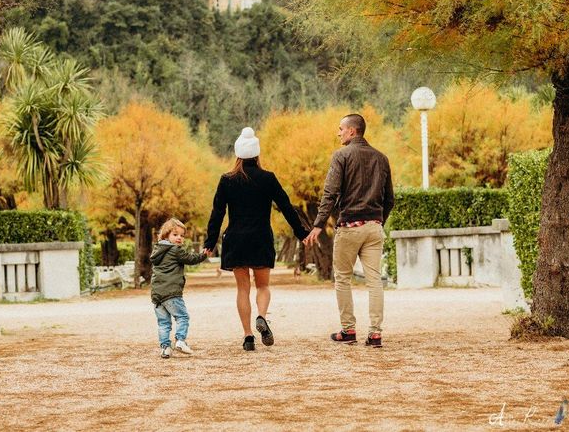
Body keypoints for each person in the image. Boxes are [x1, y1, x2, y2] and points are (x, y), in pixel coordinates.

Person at [205, 127, 309, 351]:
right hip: (260, 237)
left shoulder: (227, 180)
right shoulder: (268, 178)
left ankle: (248, 336)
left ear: (238, 154)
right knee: (263, 286)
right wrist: (302, 233)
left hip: (236, 239)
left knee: (243, 289)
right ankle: (261, 316)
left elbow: (217, 213)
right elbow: (287, 207)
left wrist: (209, 243)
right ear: (256, 153)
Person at [303, 114, 394, 348]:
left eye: (341, 129)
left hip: (349, 227)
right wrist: (378, 221)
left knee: (342, 278)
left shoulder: (341, 156)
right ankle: (375, 334)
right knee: (375, 280)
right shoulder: (381, 158)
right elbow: (390, 199)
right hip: (374, 227)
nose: (338, 133)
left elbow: (330, 194)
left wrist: (318, 224)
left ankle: (348, 330)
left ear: (352, 131)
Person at [150, 217, 209, 359]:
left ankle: (165, 348)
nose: (179, 238)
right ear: (166, 235)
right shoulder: (175, 250)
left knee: (163, 323)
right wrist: (204, 255)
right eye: (175, 235)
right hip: (172, 293)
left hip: (157, 294)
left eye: (182, 236)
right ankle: (180, 340)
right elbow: (191, 259)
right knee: (182, 317)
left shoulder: (157, 250)